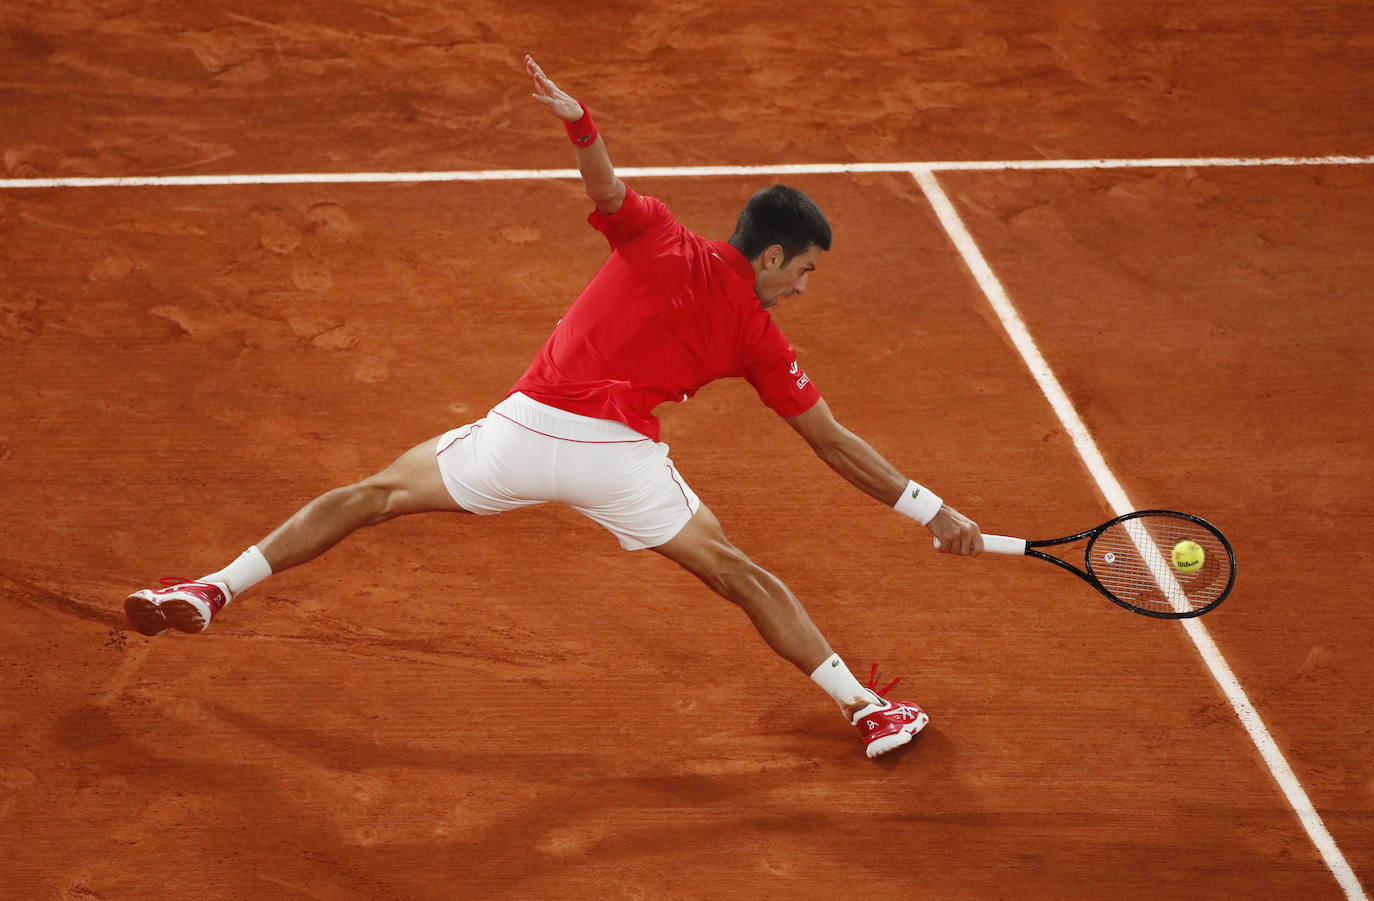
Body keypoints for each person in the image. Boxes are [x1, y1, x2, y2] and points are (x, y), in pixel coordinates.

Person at [125, 56, 984, 760]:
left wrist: (583, 125)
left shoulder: (659, 233)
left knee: (370, 496)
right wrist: (933, 509)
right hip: (620, 462)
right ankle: (866, 708)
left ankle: (213, 588)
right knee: (740, 575)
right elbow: (832, 444)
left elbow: (607, 190)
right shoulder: (760, 337)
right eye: (804, 269)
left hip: (522, 435)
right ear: (767, 257)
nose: (805, 285)